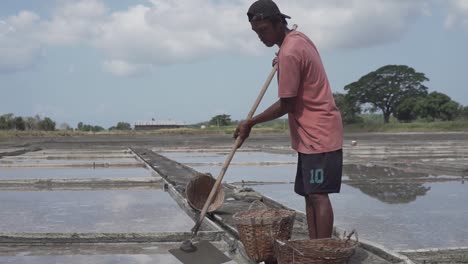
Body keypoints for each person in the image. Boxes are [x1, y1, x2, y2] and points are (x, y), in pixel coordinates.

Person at [235, 0, 344, 245]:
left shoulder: (290, 51)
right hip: (308, 136)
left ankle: (321, 251)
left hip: (319, 134)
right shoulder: (296, 40)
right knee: (309, 194)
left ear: (277, 22)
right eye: (256, 32)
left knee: (318, 195)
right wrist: (281, 59)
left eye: (263, 30)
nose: (260, 37)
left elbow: (287, 104)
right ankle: (314, 246)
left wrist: (250, 122)